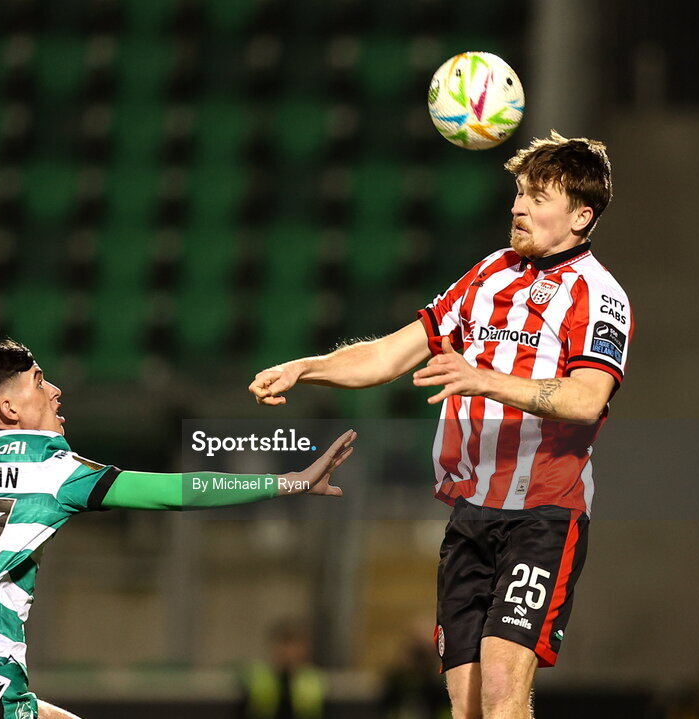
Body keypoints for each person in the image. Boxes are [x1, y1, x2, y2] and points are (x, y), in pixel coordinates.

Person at [249, 131, 632, 719]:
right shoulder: (488, 274)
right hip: (469, 515)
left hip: (544, 514)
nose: (517, 206)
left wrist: (486, 380)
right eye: (518, 192)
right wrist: (307, 367)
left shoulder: (599, 295)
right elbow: (390, 354)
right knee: (467, 704)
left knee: (505, 682)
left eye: (536, 196)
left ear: (582, 215)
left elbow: (586, 398)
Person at [0, 340, 357, 719]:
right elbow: (177, 491)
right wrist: (288, 483)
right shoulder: (52, 469)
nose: (55, 391)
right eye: (38, 382)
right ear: (9, 408)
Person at [238, 620, 326, 719]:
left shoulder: (313, 681)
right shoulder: (259, 679)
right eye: (284, 644)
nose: (289, 652)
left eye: (295, 645)